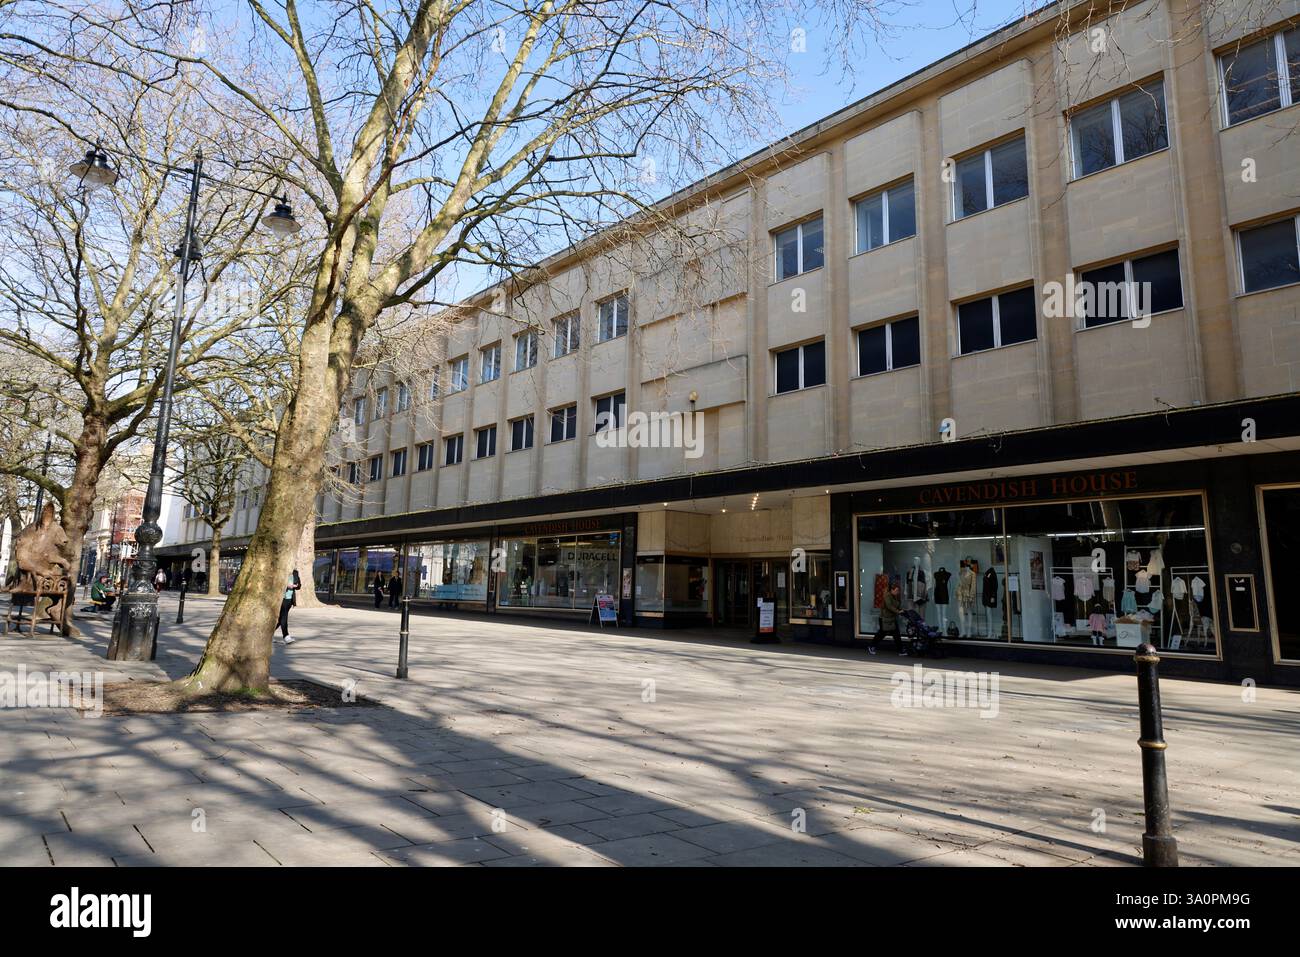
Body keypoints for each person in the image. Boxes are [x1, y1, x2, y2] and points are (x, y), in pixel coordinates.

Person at [870, 580, 907, 656]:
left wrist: (902, 610)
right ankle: (872, 646)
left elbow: (898, 605)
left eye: (898, 590)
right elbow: (889, 606)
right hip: (884, 619)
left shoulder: (895, 596)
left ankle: (901, 650)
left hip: (892, 619)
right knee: (881, 634)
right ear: (892, 590)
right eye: (896, 590)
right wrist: (898, 611)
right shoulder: (887, 596)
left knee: (896, 635)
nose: (898, 592)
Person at [280, 568, 302, 644]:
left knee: (280, 619)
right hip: (281, 598)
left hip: (290, 600)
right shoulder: (282, 570)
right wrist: (287, 585)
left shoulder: (295, 572)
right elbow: (277, 583)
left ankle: (268, 635)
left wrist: (296, 585)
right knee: (284, 618)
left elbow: (299, 586)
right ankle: (286, 636)